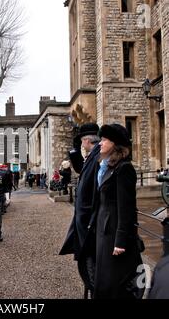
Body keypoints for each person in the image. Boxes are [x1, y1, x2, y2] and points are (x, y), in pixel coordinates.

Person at [92, 124, 144, 299]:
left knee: (114, 283)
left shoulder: (124, 168)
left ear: (115, 144)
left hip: (114, 232)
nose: (100, 143)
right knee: (104, 280)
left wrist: (121, 240)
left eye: (104, 140)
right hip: (103, 229)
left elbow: (126, 207)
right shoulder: (107, 166)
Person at [59, 123, 100, 298]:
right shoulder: (92, 155)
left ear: (86, 140)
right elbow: (79, 169)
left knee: (90, 269)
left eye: (82, 141)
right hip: (84, 221)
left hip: (89, 223)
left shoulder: (98, 157)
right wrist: (76, 147)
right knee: (86, 267)